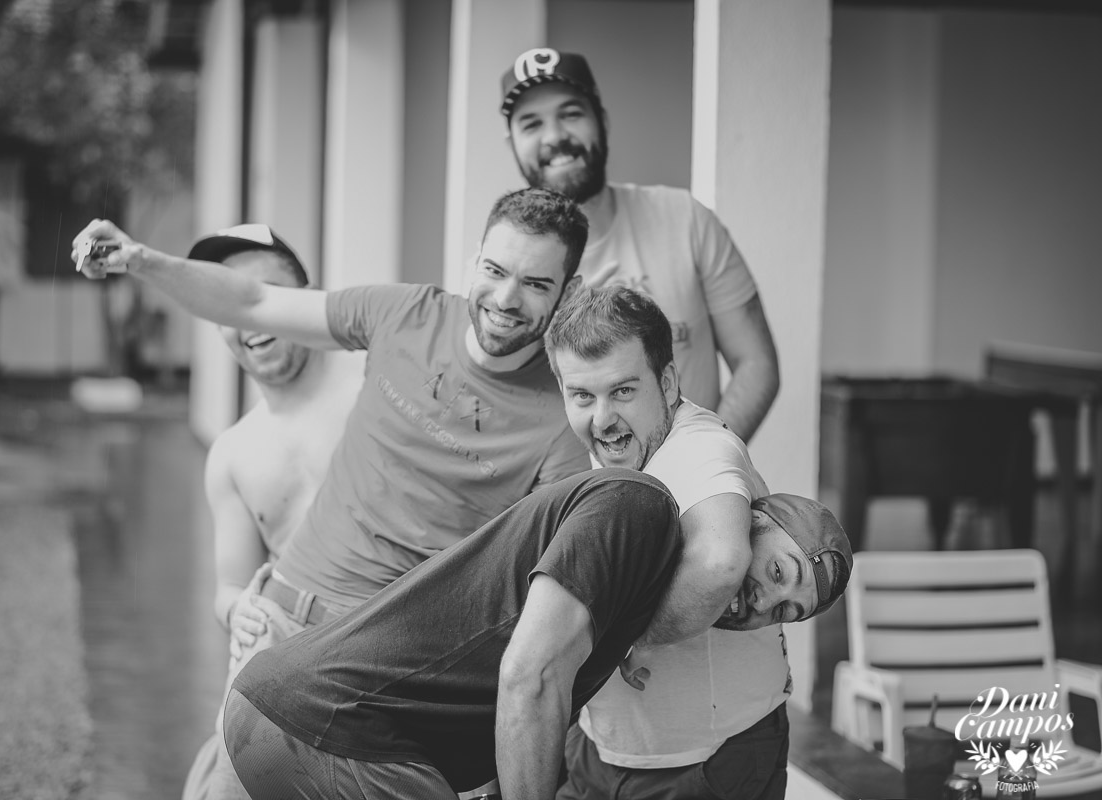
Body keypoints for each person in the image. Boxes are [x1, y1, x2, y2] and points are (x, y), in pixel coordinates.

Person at [73, 188, 591, 799]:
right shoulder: (404, 316)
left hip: (391, 665)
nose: (505, 299)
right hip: (281, 627)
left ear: (568, 291)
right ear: (474, 259)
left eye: (535, 283)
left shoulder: (560, 418)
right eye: (495, 270)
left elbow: (539, 587)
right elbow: (252, 301)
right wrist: (139, 260)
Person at [223, 467, 852, 800]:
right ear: (746, 522)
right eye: (778, 572)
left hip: (293, 712)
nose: (763, 602)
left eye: (785, 612)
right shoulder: (640, 509)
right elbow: (528, 679)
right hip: (328, 725)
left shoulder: (626, 594)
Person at [543, 285, 830, 800]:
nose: (602, 417)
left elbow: (721, 562)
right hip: (601, 747)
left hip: (708, 761)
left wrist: (631, 639)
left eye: (623, 391)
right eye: (582, 396)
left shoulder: (700, 447)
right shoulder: (617, 446)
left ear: (668, 382)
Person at [501, 47, 780, 442]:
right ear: (511, 143)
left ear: (603, 121)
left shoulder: (685, 219)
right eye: (531, 124)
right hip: (575, 482)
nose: (555, 136)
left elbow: (756, 364)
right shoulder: (502, 276)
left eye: (571, 114)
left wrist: (702, 460)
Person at [175, 225, 364, 800]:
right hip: (287, 676)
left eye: (260, 294)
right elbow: (229, 588)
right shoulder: (233, 452)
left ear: (306, 299)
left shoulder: (373, 384)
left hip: (390, 654)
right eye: (226, 304)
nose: (247, 318)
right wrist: (240, 611)